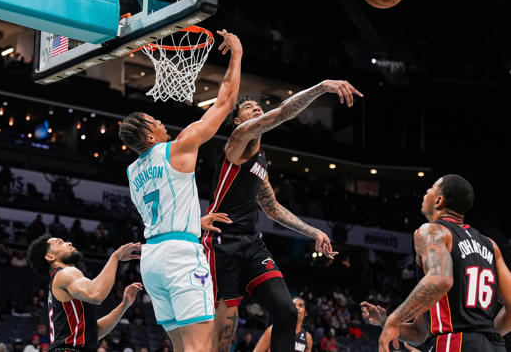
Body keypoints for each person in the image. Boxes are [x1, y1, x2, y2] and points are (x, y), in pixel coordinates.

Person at [201, 79, 362, 352]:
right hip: (222, 242)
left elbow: (272, 207)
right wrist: (322, 87)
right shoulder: (238, 140)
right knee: (226, 328)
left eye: (258, 106)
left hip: (252, 243)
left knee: (287, 312)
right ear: (238, 120)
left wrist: (314, 232)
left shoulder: (260, 157)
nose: (257, 109)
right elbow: (284, 112)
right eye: (249, 107)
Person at [118, 29, 242, 352]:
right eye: (153, 120)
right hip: (180, 257)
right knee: (200, 347)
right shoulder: (179, 147)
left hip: (153, 260)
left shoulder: (133, 173)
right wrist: (238, 54)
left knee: (181, 347)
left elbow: (159, 209)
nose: (160, 121)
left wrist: (192, 221)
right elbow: (226, 102)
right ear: (147, 137)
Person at [360, 174, 511, 352]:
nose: (426, 192)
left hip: (454, 343)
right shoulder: (491, 245)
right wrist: (385, 322)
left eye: (430, 189)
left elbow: (440, 279)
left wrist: (394, 320)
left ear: (439, 200)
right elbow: (419, 333)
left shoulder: (432, 231)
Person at [27, 234, 143, 352]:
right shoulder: (65, 273)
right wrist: (115, 257)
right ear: (50, 256)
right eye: (60, 243)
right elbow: (96, 295)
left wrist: (124, 305)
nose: (69, 243)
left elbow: (94, 333)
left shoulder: (61, 280)